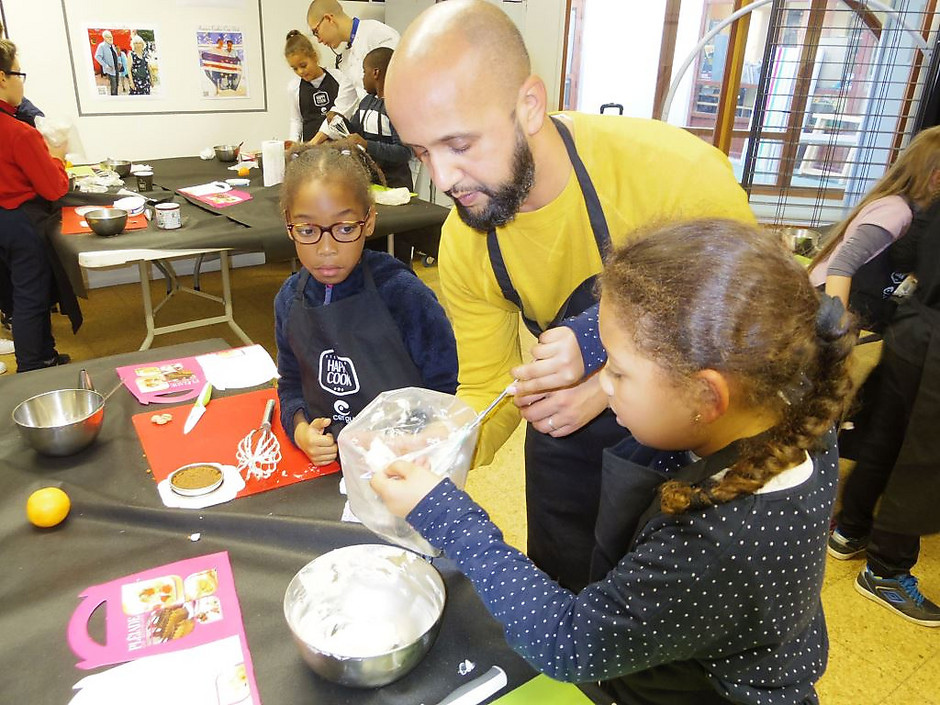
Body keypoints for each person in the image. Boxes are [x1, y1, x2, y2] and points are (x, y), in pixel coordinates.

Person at [372, 219, 856, 704]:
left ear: (706, 396)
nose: (601, 387)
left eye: (618, 373)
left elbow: (568, 644)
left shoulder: (717, 545)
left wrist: (445, 515)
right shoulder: (790, 400)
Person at [384, 0, 755, 590]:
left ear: (528, 105)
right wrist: (444, 446)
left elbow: (749, 333)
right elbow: (489, 387)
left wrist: (602, 376)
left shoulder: (675, 176)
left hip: (704, 442)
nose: (444, 178)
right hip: (580, 452)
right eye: (422, 152)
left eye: (460, 144)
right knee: (571, 606)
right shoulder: (467, 241)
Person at [274, 142, 458, 466]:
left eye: (345, 228)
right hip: (330, 466)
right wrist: (301, 430)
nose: (327, 248)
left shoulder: (404, 294)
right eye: (307, 230)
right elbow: (290, 383)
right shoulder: (289, 300)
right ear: (289, 225)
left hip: (405, 465)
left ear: (369, 222)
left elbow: (448, 386)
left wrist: (424, 442)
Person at [828, 198, 940, 627]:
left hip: (912, 328)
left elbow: (906, 251)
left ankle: (851, 528)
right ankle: (887, 572)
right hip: (933, 338)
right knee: (924, 462)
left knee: (885, 436)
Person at [809, 125, 940, 332]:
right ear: (936, 177)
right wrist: (836, 328)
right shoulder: (896, 212)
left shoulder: (919, 217)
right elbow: (841, 266)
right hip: (827, 300)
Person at [0, 39, 76, 372]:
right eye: (20, 73)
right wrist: (57, 158)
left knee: (18, 294)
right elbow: (54, 187)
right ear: (3, 78)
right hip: (20, 222)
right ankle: (33, 367)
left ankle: (44, 354)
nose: (22, 82)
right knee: (32, 297)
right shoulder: (19, 133)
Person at [306, 0, 398, 101]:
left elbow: (397, 80)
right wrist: (335, 113)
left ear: (329, 19)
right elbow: (347, 96)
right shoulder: (346, 57)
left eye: (316, 31)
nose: (319, 40)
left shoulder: (377, 33)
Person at [284, 29, 357, 145]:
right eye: (295, 68)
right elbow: (296, 120)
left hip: (339, 146)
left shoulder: (338, 77)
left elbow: (341, 114)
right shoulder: (294, 87)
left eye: (303, 65)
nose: (300, 72)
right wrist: (293, 144)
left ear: (314, 57)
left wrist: (315, 141)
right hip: (311, 148)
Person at [94, 30, 121, 96]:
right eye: (108, 37)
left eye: (111, 36)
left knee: (117, 84)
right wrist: (105, 65)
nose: (110, 38)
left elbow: (116, 55)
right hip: (110, 70)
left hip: (116, 68)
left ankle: (116, 97)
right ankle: (113, 99)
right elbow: (97, 57)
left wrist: (119, 62)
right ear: (104, 38)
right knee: (113, 86)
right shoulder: (101, 46)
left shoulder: (112, 45)